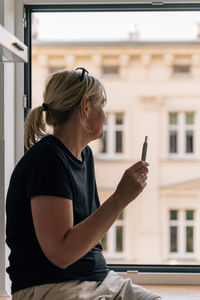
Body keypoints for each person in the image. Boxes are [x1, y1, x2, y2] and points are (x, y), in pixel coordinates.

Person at [6, 68, 163, 300]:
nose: (106, 116)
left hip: (98, 280)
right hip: (53, 286)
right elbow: (61, 254)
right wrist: (120, 198)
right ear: (86, 106)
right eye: (103, 105)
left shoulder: (84, 156)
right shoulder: (47, 159)